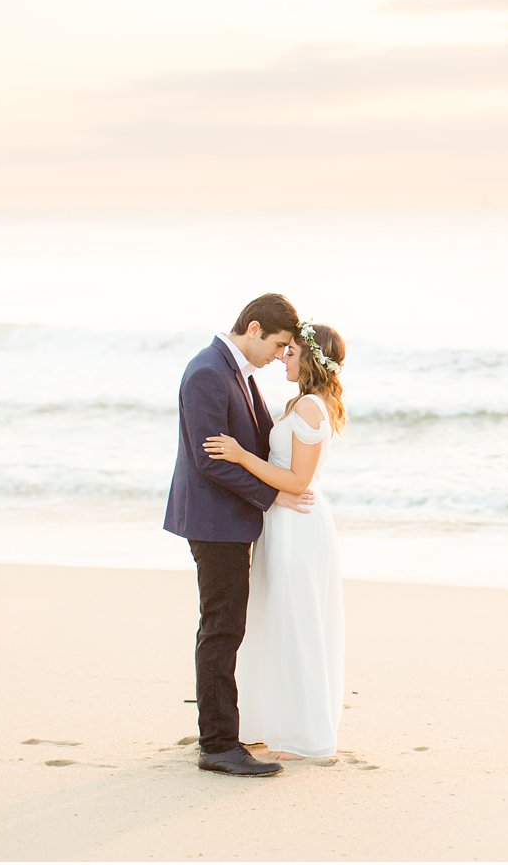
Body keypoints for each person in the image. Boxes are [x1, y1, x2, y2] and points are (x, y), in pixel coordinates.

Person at [163, 293, 310, 778]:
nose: (279, 355)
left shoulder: (235, 372)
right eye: (279, 344)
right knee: (222, 629)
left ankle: (220, 735)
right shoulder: (207, 371)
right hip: (214, 522)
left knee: (225, 627)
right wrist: (272, 498)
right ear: (253, 329)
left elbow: (254, 443)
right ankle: (219, 745)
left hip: (227, 520)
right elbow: (208, 459)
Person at [204, 321, 349, 761]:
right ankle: (278, 722)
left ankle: (304, 733)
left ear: (309, 359)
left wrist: (240, 455)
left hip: (297, 524)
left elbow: (298, 479)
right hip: (283, 521)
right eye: (282, 349)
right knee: (282, 619)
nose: (283, 357)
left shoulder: (308, 407)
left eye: (291, 352)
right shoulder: (304, 403)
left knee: (296, 622)